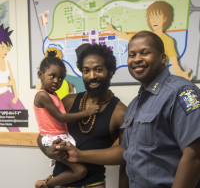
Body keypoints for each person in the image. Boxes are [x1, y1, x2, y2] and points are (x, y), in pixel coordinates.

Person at [57, 31, 200, 188]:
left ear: (163, 58)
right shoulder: (135, 105)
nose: (137, 59)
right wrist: (77, 155)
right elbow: (127, 153)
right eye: (132, 55)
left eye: (145, 53)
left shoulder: (181, 91)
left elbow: (194, 154)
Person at [37, 44, 127, 188]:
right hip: (59, 182)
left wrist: (80, 155)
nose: (92, 76)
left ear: (110, 71)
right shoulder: (67, 101)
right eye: (86, 70)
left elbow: (124, 154)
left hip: (92, 184)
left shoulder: (120, 112)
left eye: (98, 70)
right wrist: (48, 151)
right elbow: (43, 135)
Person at [34, 56, 99, 188]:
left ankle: (50, 180)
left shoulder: (54, 95)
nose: (56, 81)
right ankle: (46, 185)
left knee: (77, 164)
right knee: (80, 170)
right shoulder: (42, 95)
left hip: (60, 135)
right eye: (52, 76)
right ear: (40, 75)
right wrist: (87, 112)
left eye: (60, 78)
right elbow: (61, 117)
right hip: (53, 138)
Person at [106, 1, 192, 80]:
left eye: (158, 16)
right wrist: (113, 30)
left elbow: (175, 64)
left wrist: (181, 74)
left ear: (165, 18)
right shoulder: (143, 37)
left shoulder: (168, 41)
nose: (137, 59)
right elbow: (126, 36)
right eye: (151, 17)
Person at [0, 24, 25, 132]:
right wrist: (7, 84)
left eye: (7, 47)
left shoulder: (7, 62)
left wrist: (15, 95)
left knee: (23, 112)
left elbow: (13, 80)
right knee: (12, 125)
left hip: (8, 94)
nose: (5, 50)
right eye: (2, 47)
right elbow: (9, 82)